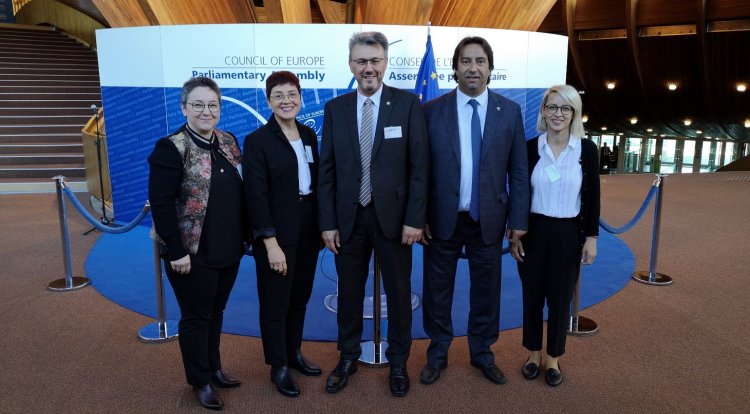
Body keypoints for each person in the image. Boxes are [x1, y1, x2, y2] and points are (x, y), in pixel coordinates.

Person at [317, 31, 429, 397]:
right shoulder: (335, 109)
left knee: (399, 294)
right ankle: (347, 357)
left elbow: (419, 167)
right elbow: (328, 171)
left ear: (385, 63)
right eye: (361, 61)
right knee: (349, 294)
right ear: (351, 64)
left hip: (396, 222)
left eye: (375, 60)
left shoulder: (408, 104)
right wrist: (328, 223)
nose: (368, 68)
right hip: (348, 220)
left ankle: (398, 363)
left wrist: (415, 219)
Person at [419, 36, 530, 386]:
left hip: (490, 221)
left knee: (487, 291)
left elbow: (519, 171)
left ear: (490, 69)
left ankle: (482, 352)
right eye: (466, 61)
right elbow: (420, 170)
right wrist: (418, 215)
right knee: (437, 291)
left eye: (480, 61)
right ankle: (437, 353)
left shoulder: (508, 111)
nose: (473, 68)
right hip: (441, 220)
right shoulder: (431, 111)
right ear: (454, 69)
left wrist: (519, 220)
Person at [148, 77, 245, 411]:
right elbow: (160, 204)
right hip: (190, 253)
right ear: (184, 107)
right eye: (199, 104)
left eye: (213, 105)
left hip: (228, 247)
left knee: (216, 312)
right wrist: (175, 251)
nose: (207, 111)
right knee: (196, 316)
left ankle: (214, 367)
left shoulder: (228, 140)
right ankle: (200, 381)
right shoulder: (171, 147)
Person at [509, 84, 600, 387]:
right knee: (532, 297)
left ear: (574, 113)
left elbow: (593, 196)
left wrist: (591, 237)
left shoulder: (586, 150)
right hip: (533, 231)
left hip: (567, 234)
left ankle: (553, 359)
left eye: (565, 108)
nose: (557, 114)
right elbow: (519, 194)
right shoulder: (529, 147)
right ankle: (533, 354)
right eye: (551, 107)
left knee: (560, 300)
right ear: (543, 111)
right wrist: (515, 234)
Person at [242, 71, 321, 398]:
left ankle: (294, 352)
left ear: (300, 98)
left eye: (292, 94)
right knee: (276, 302)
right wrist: (269, 242)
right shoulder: (258, 140)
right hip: (276, 234)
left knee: (299, 297)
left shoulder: (308, 134)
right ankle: (279, 366)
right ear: (268, 100)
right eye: (279, 95)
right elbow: (256, 196)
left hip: (308, 228)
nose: (286, 100)